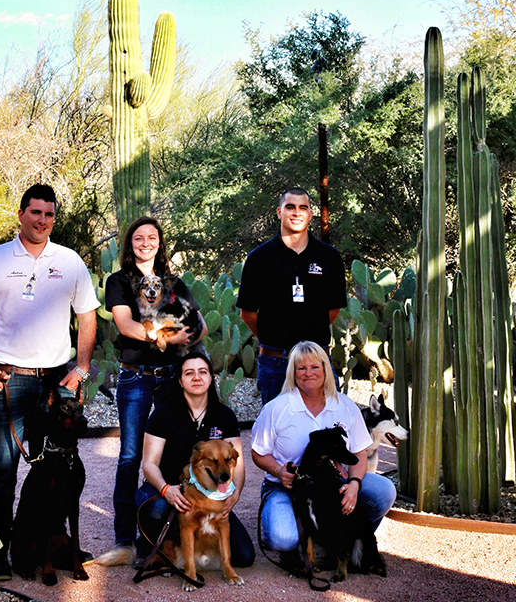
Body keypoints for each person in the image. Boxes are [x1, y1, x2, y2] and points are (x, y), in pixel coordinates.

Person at [0, 183, 99, 581]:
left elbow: (87, 316)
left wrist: (82, 368)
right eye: (36, 212)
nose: (42, 220)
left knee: (55, 471)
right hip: (7, 381)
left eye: (49, 214)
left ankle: (50, 542)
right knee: (3, 471)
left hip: (57, 383)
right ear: (21, 214)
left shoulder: (69, 261)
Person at [95, 217, 207, 565]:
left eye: (152, 237)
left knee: (175, 454)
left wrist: (180, 338)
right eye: (139, 237)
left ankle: (174, 537)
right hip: (136, 379)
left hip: (171, 377)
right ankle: (125, 542)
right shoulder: (119, 282)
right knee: (130, 457)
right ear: (130, 243)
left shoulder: (175, 284)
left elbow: (199, 326)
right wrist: (164, 336)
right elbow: (126, 325)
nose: (146, 242)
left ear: (160, 243)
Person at [251, 340, 396, 565]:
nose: (308, 373)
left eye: (315, 367)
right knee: (283, 537)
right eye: (301, 368)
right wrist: (280, 472)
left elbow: (359, 454)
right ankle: (294, 539)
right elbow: (258, 454)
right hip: (284, 486)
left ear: (326, 369)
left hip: (331, 483)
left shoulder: (345, 406)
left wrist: (355, 485)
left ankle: (343, 540)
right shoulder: (277, 408)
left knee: (384, 491)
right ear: (293, 372)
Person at [136, 351, 255, 568]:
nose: (197, 377)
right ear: (180, 381)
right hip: (167, 488)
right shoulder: (163, 414)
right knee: (157, 510)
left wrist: (235, 492)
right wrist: (165, 489)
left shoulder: (224, 416)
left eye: (203, 372)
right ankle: (151, 546)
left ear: (211, 378)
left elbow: (237, 463)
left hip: (209, 495)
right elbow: (149, 464)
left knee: (245, 556)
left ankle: (191, 545)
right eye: (189, 373)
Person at [237, 187, 347, 405]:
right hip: (275, 363)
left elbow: (333, 310)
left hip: (318, 361)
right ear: (279, 212)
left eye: (302, 207)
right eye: (290, 207)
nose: (296, 212)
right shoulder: (259, 258)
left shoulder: (329, 257)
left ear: (310, 214)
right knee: (278, 433)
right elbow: (247, 313)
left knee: (329, 429)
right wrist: (273, 338)